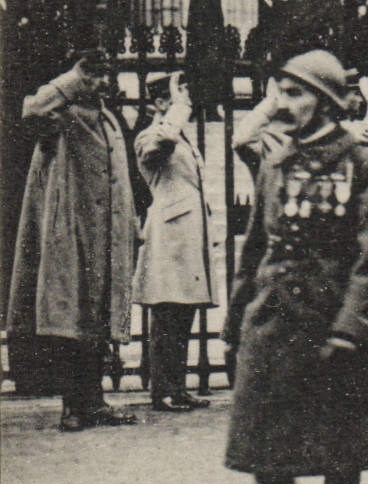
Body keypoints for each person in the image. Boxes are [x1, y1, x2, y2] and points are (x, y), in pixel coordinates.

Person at [222, 49, 368, 484]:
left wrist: (351, 326)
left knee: (339, 449)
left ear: (325, 100)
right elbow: (256, 245)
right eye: (279, 91)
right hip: (275, 320)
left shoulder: (365, 161)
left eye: (296, 93)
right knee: (257, 448)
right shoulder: (276, 161)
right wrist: (235, 317)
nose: (283, 103)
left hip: (333, 323)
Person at [6, 49, 141, 432]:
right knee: (71, 322)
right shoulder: (60, 117)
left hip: (106, 238)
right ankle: (73, 406)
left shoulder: (109, 120)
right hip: (72, 235)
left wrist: (129, 222)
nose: (102, 83)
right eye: (94, 76)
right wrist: (71, 78)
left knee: (97, 321)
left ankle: (94, 402)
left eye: (105, 76)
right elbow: (31, 109)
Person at [134, 73, 217, 413]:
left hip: (187, 237)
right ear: (158, 104)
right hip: (169, 238)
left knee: (183, 315)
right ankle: (162, 391)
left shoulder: (180, 139)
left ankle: (177, 387)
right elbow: (160, 145)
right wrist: (178, 109)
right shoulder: (150, 136)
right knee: (167, 315)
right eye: (173, 97)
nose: (184, 103)